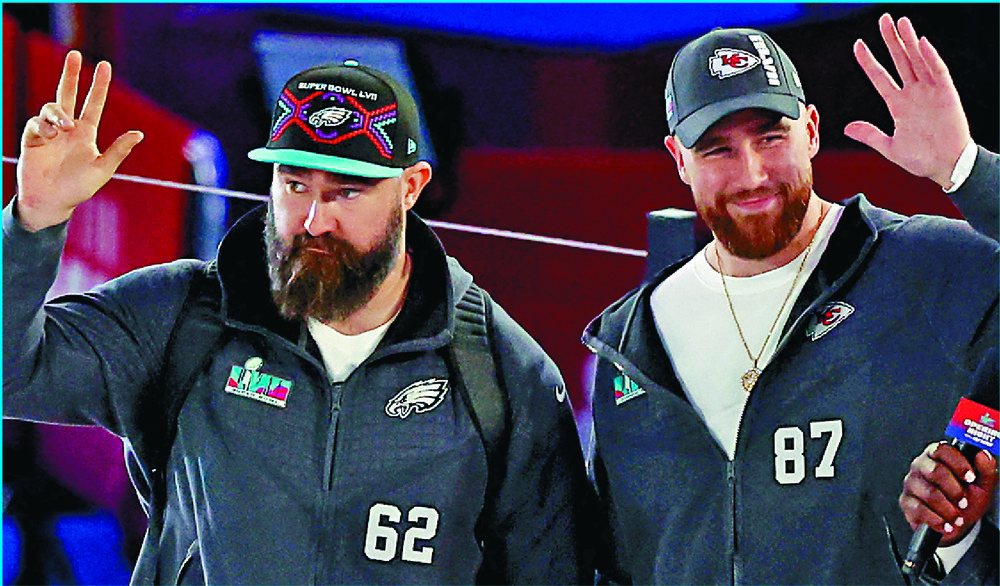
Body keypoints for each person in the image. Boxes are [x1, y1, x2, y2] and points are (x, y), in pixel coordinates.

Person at [3, 53, 595, 584]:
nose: (314, 221)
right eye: (294, 185)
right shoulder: (179, 319)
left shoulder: (503, 375)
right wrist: (32, 221)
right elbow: (11, 373)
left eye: (346, 192)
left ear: (411, 187)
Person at [582, 14, 998, 584]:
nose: (752, 174)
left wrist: (966, 169)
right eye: (718, 150)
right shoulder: (630, 343)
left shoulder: (933, 269)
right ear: (679, 160)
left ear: (812, 130)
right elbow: (621, 565)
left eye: (770, 138)